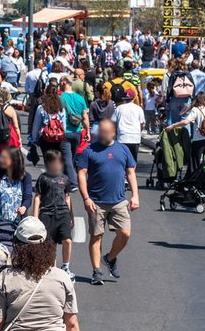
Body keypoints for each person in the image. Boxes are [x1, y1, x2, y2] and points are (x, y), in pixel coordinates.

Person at [76, 118, 139, 286]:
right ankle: (97, 271)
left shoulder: (123, 149)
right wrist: (86, 198)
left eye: (105, 131)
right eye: (100, 131)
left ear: (113, 132)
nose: (101, 134)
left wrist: (135, 196)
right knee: (97, 236)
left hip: (119, 201)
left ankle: (110, 258)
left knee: (125, 233)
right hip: (96, 202)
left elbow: (131, 172)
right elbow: (81, 173)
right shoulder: (89, 151)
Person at [31, 149, 74, 276]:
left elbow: (67, 197)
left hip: (62, 212)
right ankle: (52, 267)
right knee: (50, 243)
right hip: (47, 213)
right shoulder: (43, 178)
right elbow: (38, 197)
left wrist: (71, 215)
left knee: (68, 240)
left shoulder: (65, 178)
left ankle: (66, 266)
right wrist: (35, 218)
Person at [110, 89, 146, 161]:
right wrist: (139, 131)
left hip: (122, 138)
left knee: (123, 160)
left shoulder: (119, 108)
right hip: (135, 138)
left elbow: (113, 123)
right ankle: (132, 172)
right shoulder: (139, 109)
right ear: (134, 98)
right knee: (133, 160)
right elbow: (142, 124)